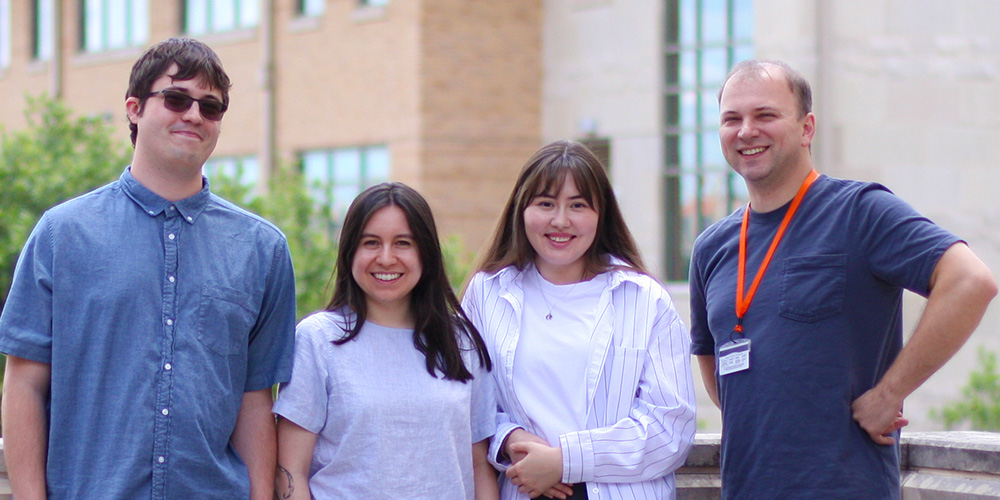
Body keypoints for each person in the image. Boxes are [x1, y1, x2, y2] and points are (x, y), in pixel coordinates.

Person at [0, 37, 296, 500]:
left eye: (211, 107)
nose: (194, 115)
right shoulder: (61, 234)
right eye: (176, 98)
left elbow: (254, 399)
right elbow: (24, 382)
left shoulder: (262, 250)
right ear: (134, 108)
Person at [689, 59, 997, 499]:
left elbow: (971, 281)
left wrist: (891, 393)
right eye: (731, 119)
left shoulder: (859, 211)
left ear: (806, 128)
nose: (746, 131)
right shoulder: (710, 248)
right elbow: (715, 367)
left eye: (765, 116)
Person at [462, 140, 697, 500]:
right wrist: (509, 438)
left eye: (578, 205)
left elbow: (670, 430)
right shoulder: (487, 293)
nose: (560, 220)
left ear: (602, 214)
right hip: (522, 490)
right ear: (521, 210)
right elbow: (466, 403)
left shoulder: (645, 299)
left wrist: (565, 461)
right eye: (545, 204)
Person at [273, 182, 498, 499]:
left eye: (403, 243)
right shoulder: (318, 340)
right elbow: (290, 470)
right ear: (350, 251)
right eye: (371, 243)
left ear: (426, 252)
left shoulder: (461, 342)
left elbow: (479, 469)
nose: (386, 258)